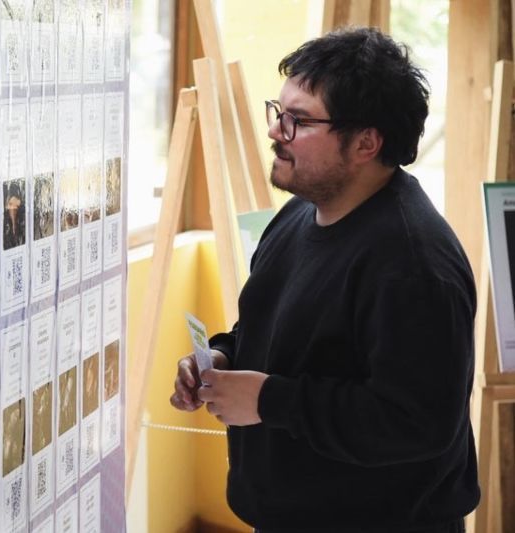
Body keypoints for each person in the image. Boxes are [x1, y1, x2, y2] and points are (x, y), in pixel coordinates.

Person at [170, 27, 479, 532]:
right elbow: (277, 335)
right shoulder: (298, 215)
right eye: (278, 112)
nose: (275, 131)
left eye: (299, 121)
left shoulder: (412, 265)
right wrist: (222, 357)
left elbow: (416, 424)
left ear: (365, 143)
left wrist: (269, 400)